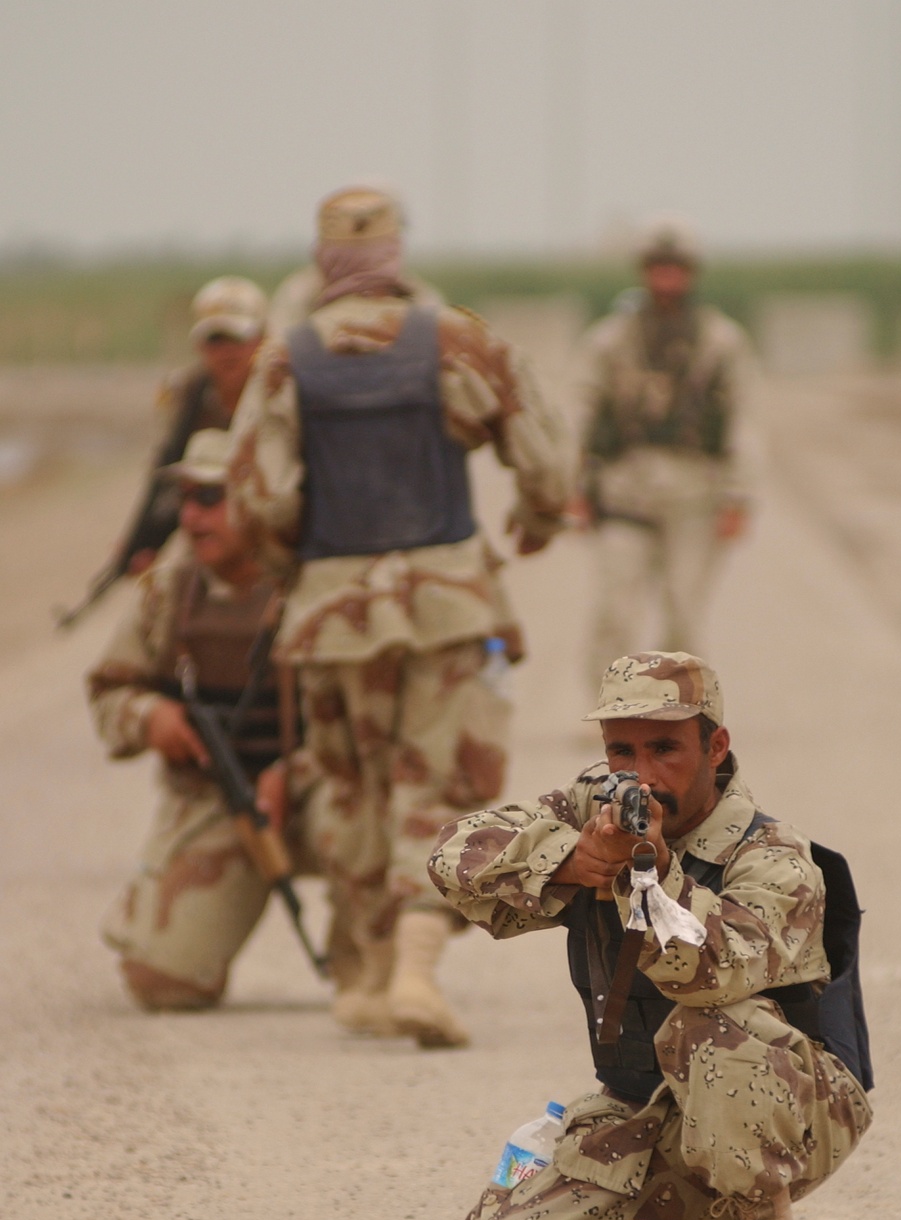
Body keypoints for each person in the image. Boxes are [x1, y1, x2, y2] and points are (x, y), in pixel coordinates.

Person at [430, 651, 873, 1220]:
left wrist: (656, 876)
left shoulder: (773, 856)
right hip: (655, 1103)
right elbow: (454, 853)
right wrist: (571, 860)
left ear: (715, 746)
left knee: (708, 1025)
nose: (643, 770)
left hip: (798, 1103)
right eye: (623, 750)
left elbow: (716, 969)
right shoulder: (598, 805)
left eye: (665, 748)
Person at [226, 184, 569, 1050]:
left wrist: (301, 573)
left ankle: (367, 975)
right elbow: (543, 452)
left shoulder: (285, 358)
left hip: (332, 616)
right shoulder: (457, 339)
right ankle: (417, 967)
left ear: (322, 259)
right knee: (439, 778)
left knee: (351, 786)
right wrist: (535, 520)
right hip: (446, 604)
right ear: (396, 254)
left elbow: (257, 495)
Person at [88, 428, 377, 1021]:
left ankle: (368, 956)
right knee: (161, 982)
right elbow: (108, 687)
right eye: (185, 500)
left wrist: (291, 771)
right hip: (219, 800)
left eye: (210, 499)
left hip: (322, 787)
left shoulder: (316, 586)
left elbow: (369, 722)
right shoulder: (170, 590)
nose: (191, 518)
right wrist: (150, 717)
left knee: (368, 809)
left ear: (257, 501)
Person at [577, 219, 763, 683]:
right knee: (616, 609)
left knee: (684, 612)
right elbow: (580, 412)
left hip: (695, 489)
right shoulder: (610, 340)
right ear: (644, 271)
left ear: (692, 273)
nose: (667, 278)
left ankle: (681, 715)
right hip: (625, 487)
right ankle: (609, 708)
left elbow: (746, 419)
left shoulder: (721, 342)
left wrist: (739, 495)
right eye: (658, 267)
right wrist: (575, 486)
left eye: (676, 267)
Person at [124, 276, 269, 575]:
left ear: (262, 340)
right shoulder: (189, 397)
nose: (226, 351)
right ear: (200, 345)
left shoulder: (280, 395)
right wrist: (144, 544)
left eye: (237, 338)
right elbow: (166, 475)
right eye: (215, 340)